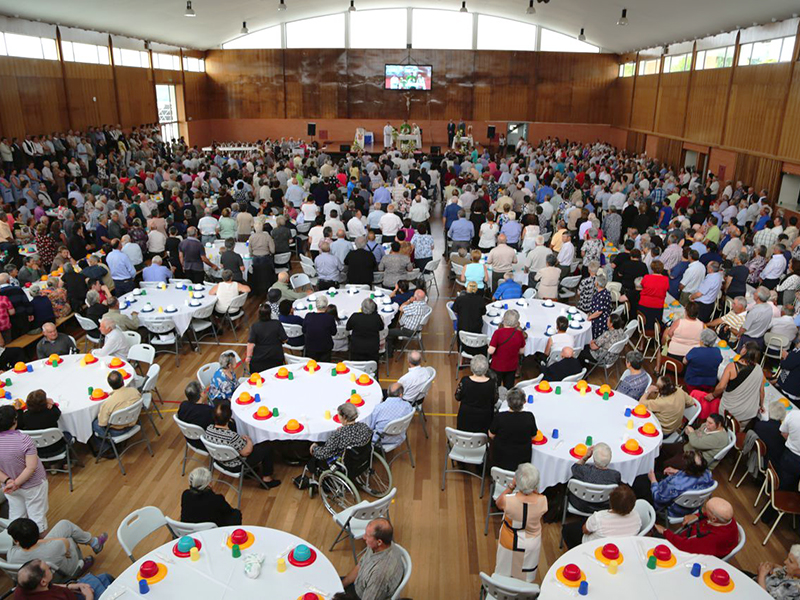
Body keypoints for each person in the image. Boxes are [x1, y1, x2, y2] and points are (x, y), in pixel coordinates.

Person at [203, 402, 280, 488]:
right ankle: (267, 479)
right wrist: (249, 441)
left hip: (218, 460)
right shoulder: (232, 436)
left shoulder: (209, 428)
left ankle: (251, 471)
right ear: (229, 418)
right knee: (267, 447)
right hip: (236, 465)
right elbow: (246, 452)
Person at [7, 517, 107, 582]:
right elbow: (64, 541)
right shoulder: (55, 546)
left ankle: (94, 542)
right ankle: (92, 546)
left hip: (37, 581)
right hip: (62, 574)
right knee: (69, 539)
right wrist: (44, 541)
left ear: (17, 541)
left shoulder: (11, 555)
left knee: (64, 525)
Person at [494, 463, 548, 584]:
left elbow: (498, 502)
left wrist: (511, 486)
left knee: (504, 576)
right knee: (525, 579)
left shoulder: (508, 501)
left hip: (509, 541)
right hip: (531, 544)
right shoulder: (543, 501)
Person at [0, 405, 49, 530]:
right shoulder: (24, 439)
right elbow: (31, 467)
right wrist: (16, 483)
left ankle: (18, 544)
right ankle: (40, 545)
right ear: (14, 421)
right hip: (33, 485)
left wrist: (8, 481)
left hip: (8, 487)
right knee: (37, 518)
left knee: (16, 517)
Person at [339, 518, 405, 600]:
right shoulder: (378, 545)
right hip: (359, 583)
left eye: (367, 535)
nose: (364, 537)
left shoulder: (379, 574)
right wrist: (341, 585)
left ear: (379, 542)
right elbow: (360, 565)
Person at [654, 497, 738, 558]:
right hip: (693, 537)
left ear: (713, 519)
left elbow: (683, 545)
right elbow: (706, 515)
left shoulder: (713, 538)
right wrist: (696, 516)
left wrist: (664, 531)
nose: (703, 509)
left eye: (706, 508)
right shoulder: (726, 519)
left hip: (691, 553)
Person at [563, 484, 641, 549]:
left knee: (567, 529)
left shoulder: (599, 517)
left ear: (610, 502)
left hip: (595, 548)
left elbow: (585, 530)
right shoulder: (637, 518)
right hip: (622, 548)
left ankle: (575, 552)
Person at [706, 342, 765, 427]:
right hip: (749, 412)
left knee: (724, 428)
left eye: (743, 346)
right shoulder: (759, 368)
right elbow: (761, 391)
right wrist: (761, 405)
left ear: (745, 351)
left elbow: (721, 387)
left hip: (731, 410)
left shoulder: (732, 366)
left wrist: (713, 395)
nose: (741, 347)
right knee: (737, 431)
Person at [647, 450, 714, 518]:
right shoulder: (707, 474)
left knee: (640, 482)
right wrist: (677, 472)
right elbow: (692, 478)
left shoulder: (675, 484)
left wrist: (653, 480)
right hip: (693, 506)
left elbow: (658, 498)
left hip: (672, 510)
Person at [91, 370, 140, 455]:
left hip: (117, 430)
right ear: (123, 381)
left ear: (110, 385)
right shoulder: (134, 391)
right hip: (134, 422)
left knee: (94, 424)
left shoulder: (108, 403)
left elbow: (102, 423)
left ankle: (106, 448)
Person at [658, 413, 729, 470]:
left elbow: (696, 443)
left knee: (666, 464)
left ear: (719, 424)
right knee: (662, 448)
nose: (706, 424)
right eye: (707, 421)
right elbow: (696, 435)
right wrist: (693, 434)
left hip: (696, 459)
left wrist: (692, 433)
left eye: (710, 423)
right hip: (689, 448)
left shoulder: (718, 438)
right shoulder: (706, 426)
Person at [489, 389, 537, 471]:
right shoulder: (529, 417)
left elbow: (491, 435)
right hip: (521, 466)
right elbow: (533, 436)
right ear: (524, 402)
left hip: (500, 462)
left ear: (507, 402)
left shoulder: (500, 417)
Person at [14, 558, 110, 600]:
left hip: (70, 594)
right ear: (43, 581)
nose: (50, 567)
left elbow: (50, 585)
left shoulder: (23, 587)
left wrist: (71, 586)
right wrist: (89, 597)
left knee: (104, 577)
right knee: (105, 586)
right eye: (48, 569)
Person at [568, 442, 623, 512]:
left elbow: (574, 467)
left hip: (580, 505)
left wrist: (585, 457)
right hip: (602, 507)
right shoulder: (615, 475)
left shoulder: (584, 471)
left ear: (593, 458)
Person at [17, 390, 70, 458]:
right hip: (57, 446)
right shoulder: (51, 412)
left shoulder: (25, 416)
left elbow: (19, 424)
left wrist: (18, 409)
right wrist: (52, 404)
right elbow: (58, 412)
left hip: (36, 449)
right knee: (66, 433)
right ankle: (65, 461)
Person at [454, 355, 498, 434]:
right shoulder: (492, 383)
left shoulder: (465, 381)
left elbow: (457, 397)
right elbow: (495, 400)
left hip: (465, 417)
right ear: (486, 369)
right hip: (485, 418)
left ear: (472, 368)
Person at [658, 301, 704, 370]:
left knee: (661, 348)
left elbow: (670, 334)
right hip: (691, 358)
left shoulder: (679, 322)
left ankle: (657, 369)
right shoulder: (701, 324)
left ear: (686, 312)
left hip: (673, 356)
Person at [368, 382, 414, 449]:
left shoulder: (378, 408)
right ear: (401, 395)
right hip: (399, 437)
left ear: (387, 392)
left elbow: (370, 427)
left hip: (379, 440)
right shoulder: (407, 406)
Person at [386, 289, 431, 357]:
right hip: (416, 329)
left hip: (407, 330)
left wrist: (409, 300)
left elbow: (401, 308)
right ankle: (395, 343)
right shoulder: (425, 305)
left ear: (415, 298)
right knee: (394, 324)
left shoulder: (415, 307)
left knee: (387, 333)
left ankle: (389, 354)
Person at [488, 310, 526, 388]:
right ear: (516, 322)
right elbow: (522, 351)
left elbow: (491, 351)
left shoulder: (498, 333)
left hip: (497, 365)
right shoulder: (519, 334)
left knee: (495, 387)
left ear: (504, 320)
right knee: (508, 387)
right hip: (511, 366)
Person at [683, 328, 723, 394]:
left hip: (692, 382)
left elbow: (684, 361)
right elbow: (720, 360)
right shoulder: (717, 351)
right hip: (709, 384)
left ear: (701, 340)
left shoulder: (695, 351)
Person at [177, 381, 215, 449]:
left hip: (190, 439)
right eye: (203, 390)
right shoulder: (207, 411)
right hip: (207, 443)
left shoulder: (183, 405)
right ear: (201, 394)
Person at [346, 298, 384, 362]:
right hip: (372, 349)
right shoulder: (377, 317)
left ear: (362, 308)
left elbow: (348, 327)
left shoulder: (355, 316)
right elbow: (381, 327)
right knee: (372, 366)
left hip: (356, 348)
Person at [303, 295, 337, 362]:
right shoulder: (329, 318)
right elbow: (334, 332)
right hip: (325, 347)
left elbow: (304, 330)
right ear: (326, 306)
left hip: (310, 347)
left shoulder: (308, 316)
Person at [638, 260, 669, 330]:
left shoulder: (646, 277)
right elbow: (666, 289)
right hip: (658, 306)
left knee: (644, 323)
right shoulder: (666, 279)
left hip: (644, 304)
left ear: (652, 268)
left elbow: (642, 285)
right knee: (655, 324)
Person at [587, 271, 612, 338]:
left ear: (597, 283)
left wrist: (589, 317)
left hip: (599, 321)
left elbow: (599, 312)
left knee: (597, 338)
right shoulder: (606, 291)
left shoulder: (601, 296)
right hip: (604, 319)